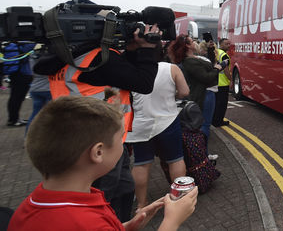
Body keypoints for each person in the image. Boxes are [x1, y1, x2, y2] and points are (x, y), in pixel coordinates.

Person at [34, 10, 161, 222]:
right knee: (102, 197)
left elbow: (119, 75)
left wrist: (131, 50)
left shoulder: (66, 57)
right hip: (96, 145)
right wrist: (148, 49)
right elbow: (144, 83)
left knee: (123, 187)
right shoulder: (97, 59)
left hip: (84, 136)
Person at [9, 96, 197, 230]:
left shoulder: (31, 207)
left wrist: (124, 227)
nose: (124, 143)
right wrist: (171, 222)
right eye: (121, 137)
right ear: (98, 152)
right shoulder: (86, 222)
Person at [127, 61, 190, 209]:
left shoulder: (131, 68)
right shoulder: (171, 68)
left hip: (141, 123)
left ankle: (141, 205)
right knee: (175, 160)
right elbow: (184, 92)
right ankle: (178, 201)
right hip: (168, 120)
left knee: (141, 163)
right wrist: (172, 95)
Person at [167, 35, 220, 140]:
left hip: (207, 92)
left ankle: (202, 149)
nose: (195, 43)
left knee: (205, 124)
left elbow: (208, 64)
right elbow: (206, 77)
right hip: (204, 94)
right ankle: (201, 149)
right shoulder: (189, 61)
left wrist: (210, 49)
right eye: (192, 42)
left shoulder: (194, 58)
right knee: (204, 125)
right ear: (187, 46)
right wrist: (217, 69)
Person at [2, 41, 35, 127]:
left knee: (14, 97)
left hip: (14, 75)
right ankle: (14, 120)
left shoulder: (12, 45)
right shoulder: (24, 46)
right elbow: (34, 43)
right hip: (23, 75)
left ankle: (13, 119)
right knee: (17, 99)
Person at [25, 49, 52, 133]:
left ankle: (28, 135)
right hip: (48, 89)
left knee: (35, 114)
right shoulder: (50, 57)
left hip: (35, 89)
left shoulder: (32, 56)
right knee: (51, 115)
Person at [212, 38, 232, 128]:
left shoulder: (216, 52)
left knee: (216, 103)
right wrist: (231, 80)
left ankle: (214, 120)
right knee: (222, 105)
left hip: (215, 82)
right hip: (223, 84)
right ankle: (218, 121)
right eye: (226, 44)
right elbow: (226, 70)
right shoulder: (224, 55)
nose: (228, 46)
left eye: (229, 44)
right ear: (221, 44)